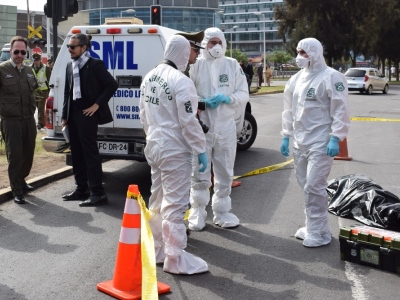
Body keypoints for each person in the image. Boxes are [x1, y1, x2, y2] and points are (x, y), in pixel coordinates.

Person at [139, 35, 209, 274]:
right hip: (174, 149)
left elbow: (143, 115)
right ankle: (175, 258)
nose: (196, 55)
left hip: (154, 145)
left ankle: (158, 249)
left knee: (157, 199)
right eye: (192, 50)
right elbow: (188, 121)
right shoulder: (181, 81)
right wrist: (200, 149)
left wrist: (153, 136)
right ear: (181, 51)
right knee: (176, 204)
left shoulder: (149, 77)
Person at [280, 37, 350, 247]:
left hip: (321, 142)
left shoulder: (331, 77)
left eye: (304, 53)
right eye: (299, 52)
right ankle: (315, 226)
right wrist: (286, 135)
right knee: (305, 185)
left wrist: (336, 137)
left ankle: (319, 233)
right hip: (300, 142)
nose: (300, 57)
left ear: (315, 53)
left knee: (314, 186)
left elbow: (341, 109)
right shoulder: (296, 79)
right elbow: (288, 109)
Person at [188, 27, 249, 231]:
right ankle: (197, 210)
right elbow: (186, 95)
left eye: (219, 42)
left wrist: (228, 98)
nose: (216, 46)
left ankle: (222, 211)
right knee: (199, 171)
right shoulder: (196, 65)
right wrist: (202, 102)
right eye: (212, 42)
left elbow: (243, 93)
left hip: (225, 128)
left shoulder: (232, 65)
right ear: (205, 44)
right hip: (201, 128)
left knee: (224, 171)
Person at [61, 33, 118, 207]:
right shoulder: (70, 66)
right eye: (68, 47)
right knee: (76, 153)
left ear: (84, 48)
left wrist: (97, 105)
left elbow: (112, 84)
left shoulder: (95, 64)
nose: (69, 49)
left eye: (72, 47)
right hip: (73, 115)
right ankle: (81, 189)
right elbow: (67, 93)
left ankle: (98, 193)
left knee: (90, 154)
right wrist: (64, 115)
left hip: (87, 115)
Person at [0, 36, 38, 204]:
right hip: (11, 121)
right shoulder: (2, 70)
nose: (20, 55)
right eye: (16, 51)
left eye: (23, 52)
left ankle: (22, 180)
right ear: (11, 51)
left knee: (28, 153)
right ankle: (17, 189)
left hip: (29, 119)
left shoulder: (29, 70)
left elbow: (34, 91)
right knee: (15, 155)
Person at [31, 51, 51, 130]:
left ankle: (40, 123)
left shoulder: (46, 68)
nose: (36, 62)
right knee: (33, 107)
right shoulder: (29, 68)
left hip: (43, 91)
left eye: (37, 60)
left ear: (40, 60)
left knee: (40, 108)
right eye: (34, 60)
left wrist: (50, 91)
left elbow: (49, 79)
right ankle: (34, 122)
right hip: (34, 91)